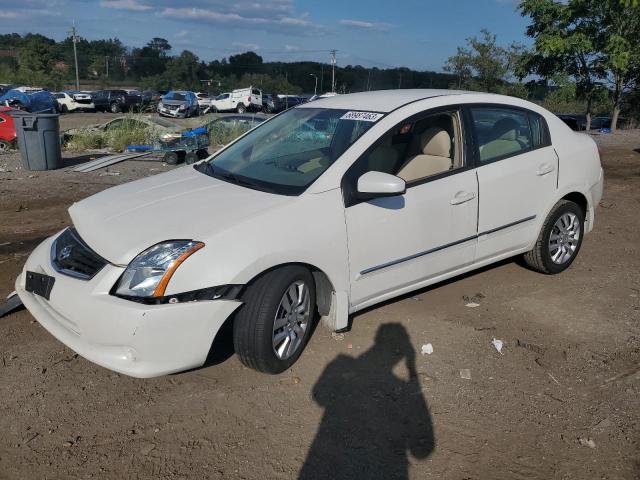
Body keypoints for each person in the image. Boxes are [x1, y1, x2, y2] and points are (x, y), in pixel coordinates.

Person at [299, 323, 434, 480]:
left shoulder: (340, 363)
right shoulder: (400, 388)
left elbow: (319, 396)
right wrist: (412, 368)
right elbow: (421, 452)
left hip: (325, 459)